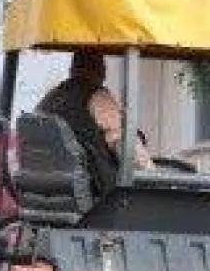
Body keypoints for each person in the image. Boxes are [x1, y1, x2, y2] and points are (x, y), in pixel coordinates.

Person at [37, 51, 153, 197]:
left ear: (72, 68)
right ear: (101, 70)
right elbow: (126, 146)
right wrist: (153, 174)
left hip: (53, 189)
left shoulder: (49, 99)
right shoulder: (98, 97)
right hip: (101, 194)